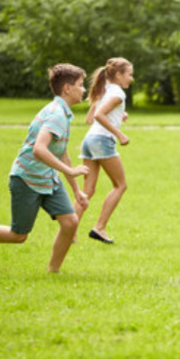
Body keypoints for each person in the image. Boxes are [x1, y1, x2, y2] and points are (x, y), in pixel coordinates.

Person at [0, 64, 90, 273]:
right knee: (18, 235)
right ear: (67, 88)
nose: (84, 90)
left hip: (47, 178)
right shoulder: (56, 114)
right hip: (27, 179)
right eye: (81, 85)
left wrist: (76, 190)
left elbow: (61, 152)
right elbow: (39, 149)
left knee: (71, 222)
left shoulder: (64, 114)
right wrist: (72, 172)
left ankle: (52, 272)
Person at [75, 58, 134, 245]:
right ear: (118, 75)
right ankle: (99, 227)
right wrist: (119, 133)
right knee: (120, 185)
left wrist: (118, 116)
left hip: (89, 140)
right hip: (102, 141)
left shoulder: (104, 90)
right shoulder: (118, 94)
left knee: (87, 190)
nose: (132, 79)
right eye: (129, 74)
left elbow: (90, 118)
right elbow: (99, 116)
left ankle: (70, 231)